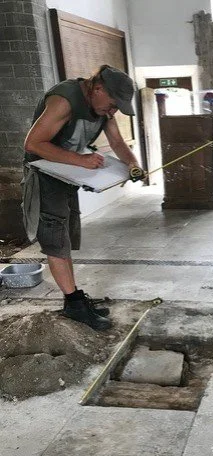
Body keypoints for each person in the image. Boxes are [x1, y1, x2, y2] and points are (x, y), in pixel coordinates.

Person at [22, 64, 146, 330]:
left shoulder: (101, 107)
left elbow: (117, 143)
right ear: (98, 88)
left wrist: (133, 165)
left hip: (66, 173)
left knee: (64, 237)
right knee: (55, 239)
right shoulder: (64, 100)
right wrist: (80, 160)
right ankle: (74, 304)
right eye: (112, 105)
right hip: (44, 175)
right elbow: (32, 143)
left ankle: (74, 299)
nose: (112, 112)